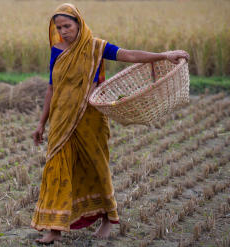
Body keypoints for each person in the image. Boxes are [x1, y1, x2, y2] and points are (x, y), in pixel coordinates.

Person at [31, 3, 189, 244]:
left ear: (79, 24)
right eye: (59, 27)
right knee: (56, 169)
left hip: (90, 119)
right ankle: (55, 228)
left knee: (96, 165)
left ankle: (107, 218)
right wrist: (41, 123)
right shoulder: (56, 51)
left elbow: (129, 55)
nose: (63, 31)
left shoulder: (96, 46)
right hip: (61, 120)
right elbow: (51, 88)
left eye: (67, 26)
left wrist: (164, 55)